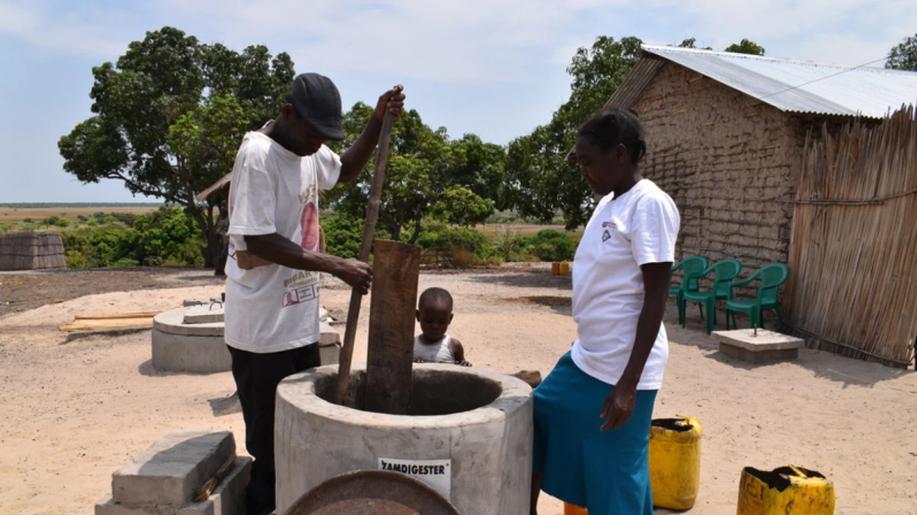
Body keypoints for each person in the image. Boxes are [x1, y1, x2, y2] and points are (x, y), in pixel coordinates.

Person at [223, 72, 405, 515]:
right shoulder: (258, 155)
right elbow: (256, 239)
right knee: (269, 449)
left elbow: (343, 171)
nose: (317, 144)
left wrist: (376, 121)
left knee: (305, 435)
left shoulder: (307, 147)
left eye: (325, 136)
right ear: (288, 114)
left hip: (299, 326)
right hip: (262, 332)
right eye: (313, 134)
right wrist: (336, 265)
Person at [531, 109, 680, 515]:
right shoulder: (607, 204)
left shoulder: (649, 205)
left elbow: (655, 298)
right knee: (537, 417)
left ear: (619, 154)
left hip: (621, 367)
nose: (583, 171)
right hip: (587, 357)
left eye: (587, 161)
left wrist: (627, 386)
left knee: (617, 476)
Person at [413, 287, 470, 366]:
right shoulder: (411, 345)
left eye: (441, 322)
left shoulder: (453, 346)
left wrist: (465, 365)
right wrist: (414, 364)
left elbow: (462, 370)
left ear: (450, 319)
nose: (435, 326)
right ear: (418, 316)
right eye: (429, 321)